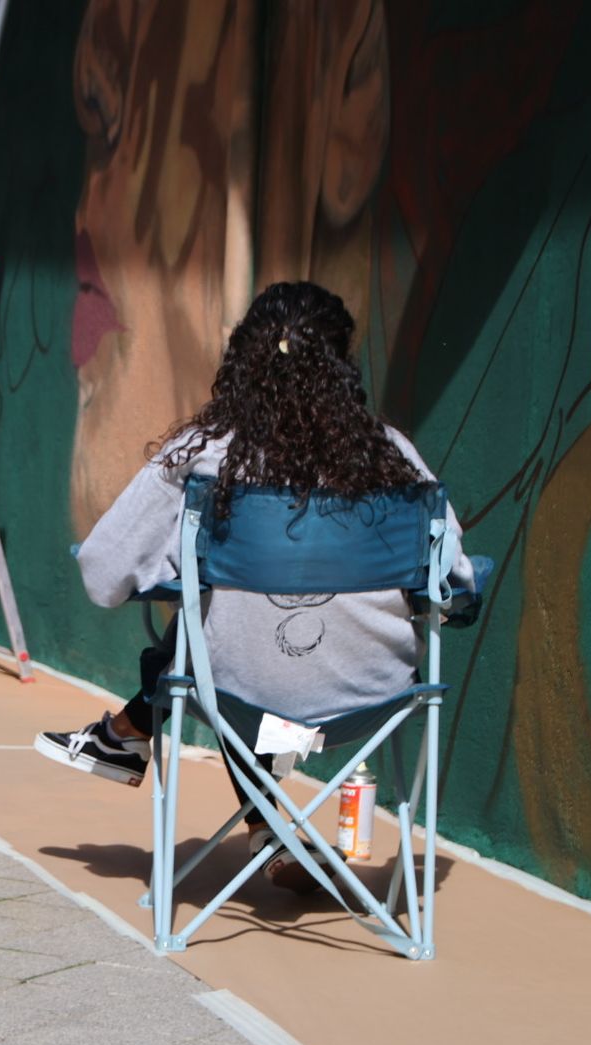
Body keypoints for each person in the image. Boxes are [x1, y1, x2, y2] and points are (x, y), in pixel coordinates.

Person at [35, 281, 475, 891]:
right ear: (342, 367)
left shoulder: (203, 457)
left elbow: (104, 578)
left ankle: (134, 735)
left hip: (241, 697)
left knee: (213, 629)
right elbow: (455, 587)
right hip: (374, 702)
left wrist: (183, 569)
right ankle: (264, 829)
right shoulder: (393, 456)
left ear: (242, 364)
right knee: (233, 630)